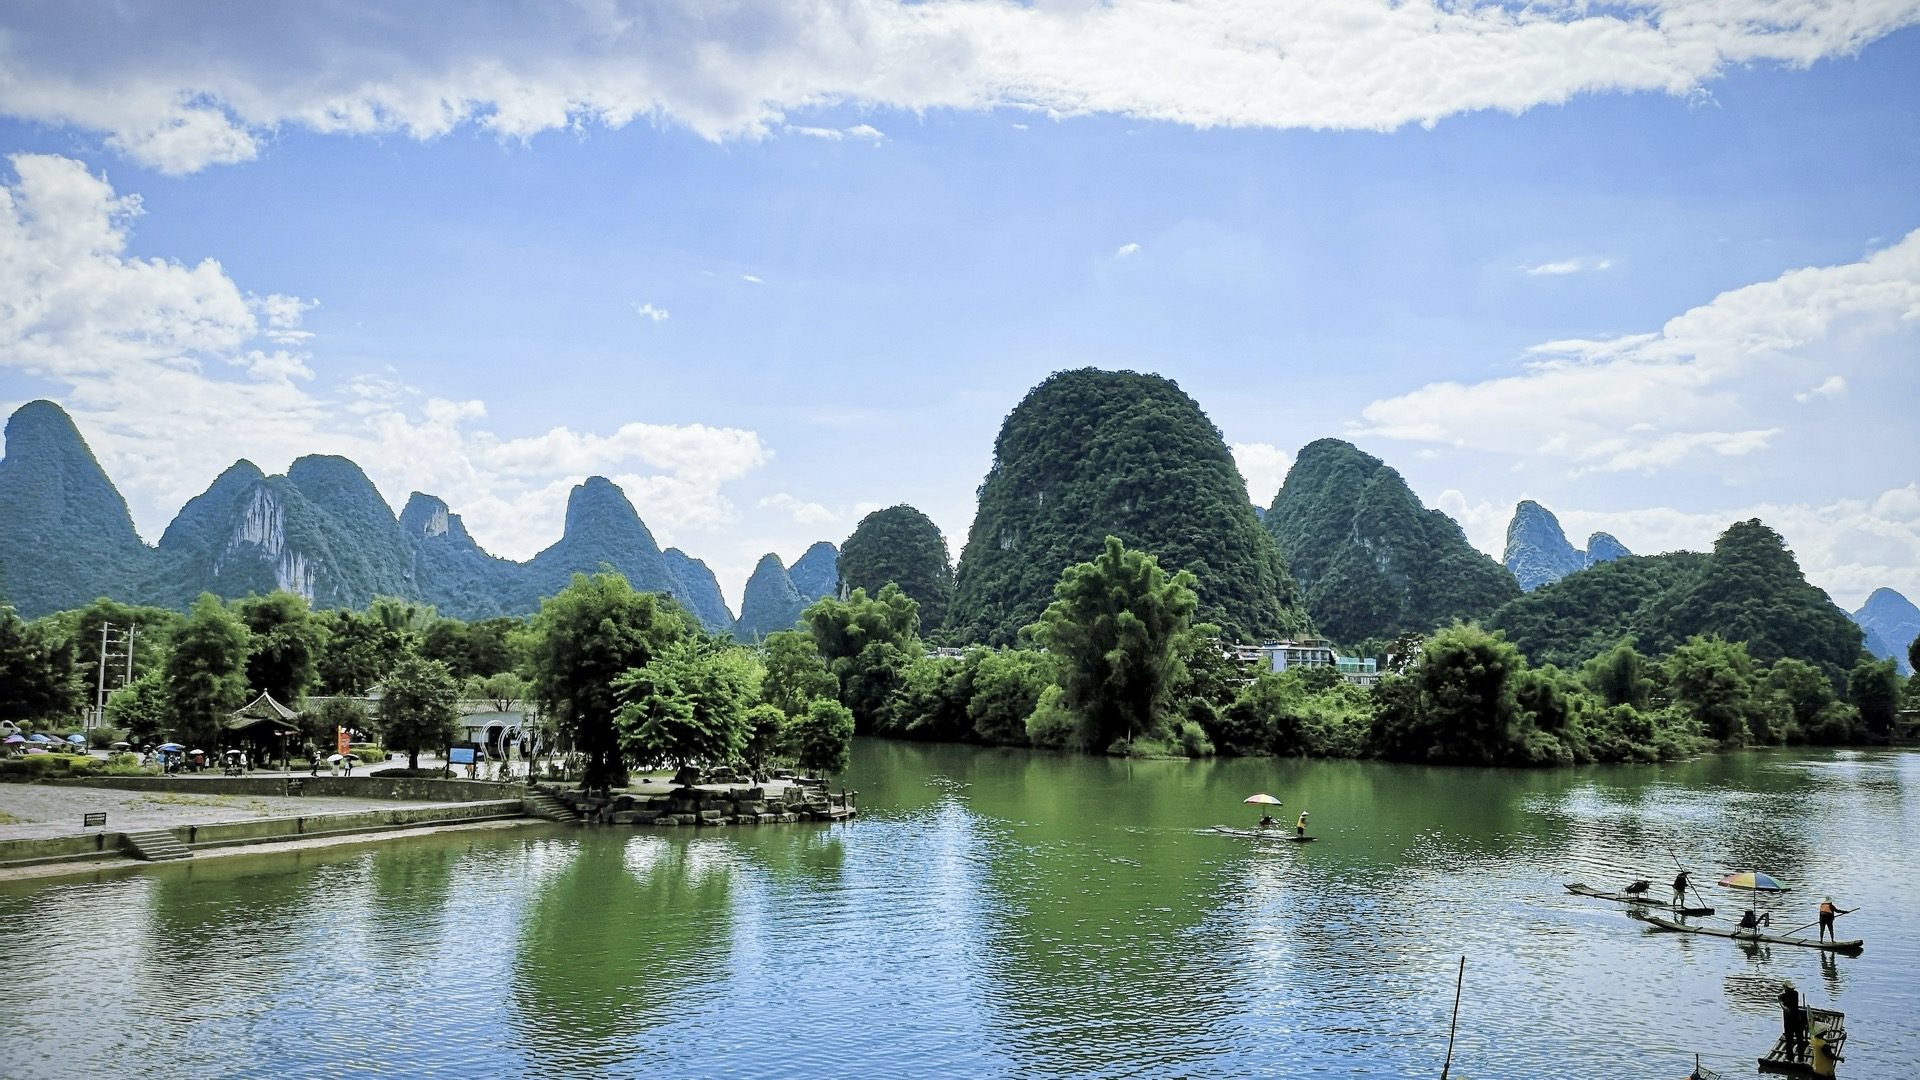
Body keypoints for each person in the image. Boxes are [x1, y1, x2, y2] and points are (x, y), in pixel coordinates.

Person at [1778, 981, 1807, 1054]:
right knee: (1791, 1039)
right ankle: (1792, 1056)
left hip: (1794, 1020)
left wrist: (1785, 1007)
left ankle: (1798, 1056)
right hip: (1791, 1020)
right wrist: (1785, 1007)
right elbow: (1781, 1003)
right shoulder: (1786, 995)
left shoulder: (1794, 994)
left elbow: (1781, 1002)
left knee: (1795, 1039)